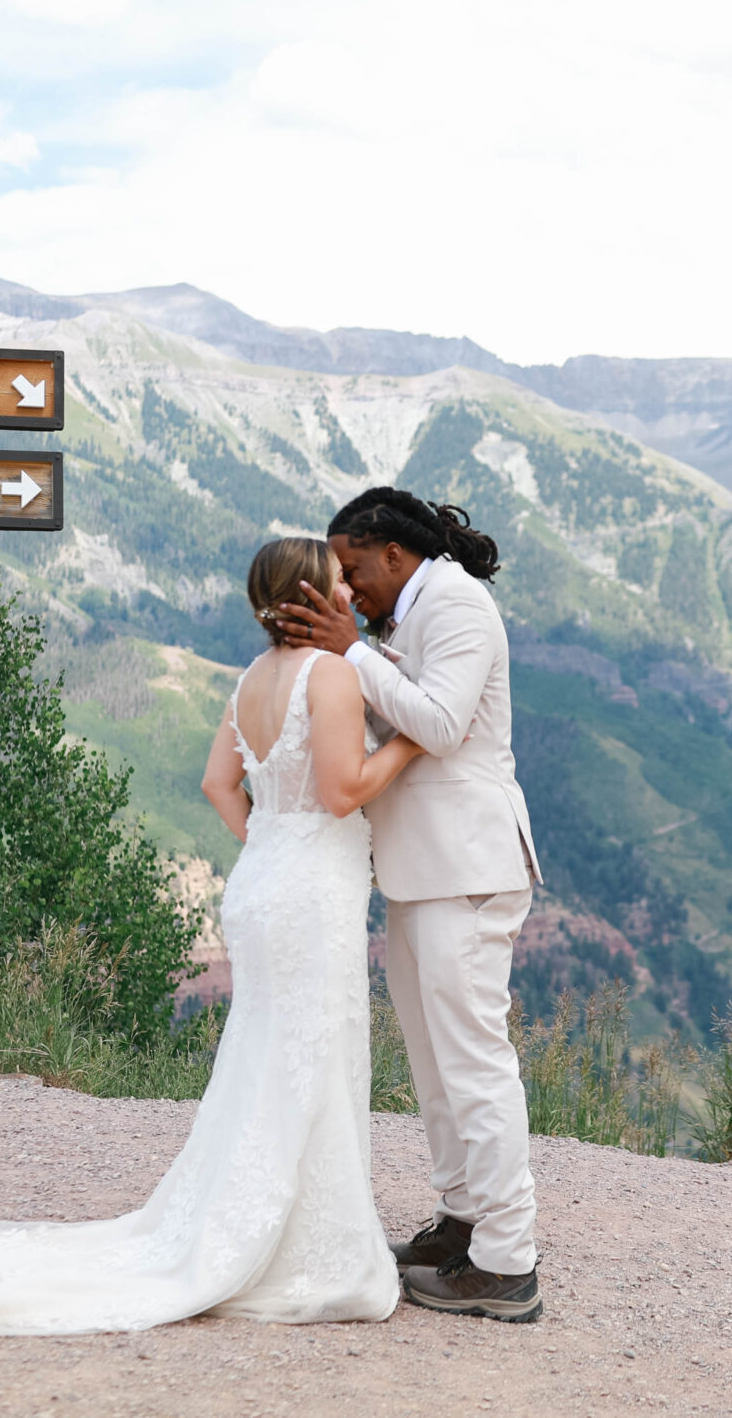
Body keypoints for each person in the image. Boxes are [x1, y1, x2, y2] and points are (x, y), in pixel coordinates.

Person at [0, 538, 423, 1335]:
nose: (349, 591)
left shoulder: (250, 679)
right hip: (311, 890)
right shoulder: (331, 674)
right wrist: (411, 741)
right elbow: (343, 788)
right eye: (336, 581)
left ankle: (266, 1224)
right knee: (314, 1054)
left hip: (263, 883)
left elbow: (220, 784)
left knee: (268, 1052)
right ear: (311, 595)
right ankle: (307, 1246)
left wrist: (271, 842)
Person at [275, 486, 546, 1324]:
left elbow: (440, 721)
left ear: (393, 553)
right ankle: (461, 1223)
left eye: (354, 570)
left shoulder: (460, 604)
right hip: (422, 868)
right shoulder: (416, 612)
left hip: (466, 866)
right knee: (435, 1064)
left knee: (473, 1061)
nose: (349, 591)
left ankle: (507, 1262)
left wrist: (353, 654)